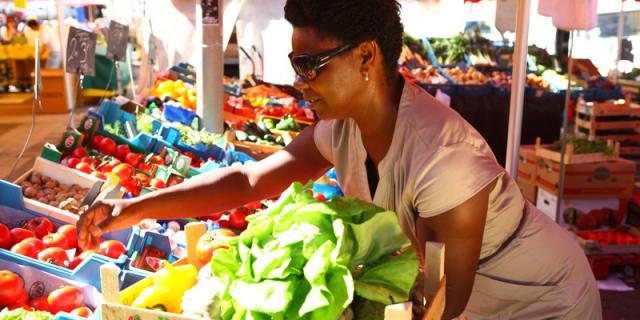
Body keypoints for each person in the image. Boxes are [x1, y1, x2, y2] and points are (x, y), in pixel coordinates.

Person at [77, 0, 601, 319]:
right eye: (294, 65)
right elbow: (247, 180)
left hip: (545, 300)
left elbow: (444, 304)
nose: (299, 82)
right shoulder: (343, 129)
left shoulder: (445, 161)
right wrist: (134, 209)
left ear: (367, 57)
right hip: (482, 299)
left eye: (310, 66)